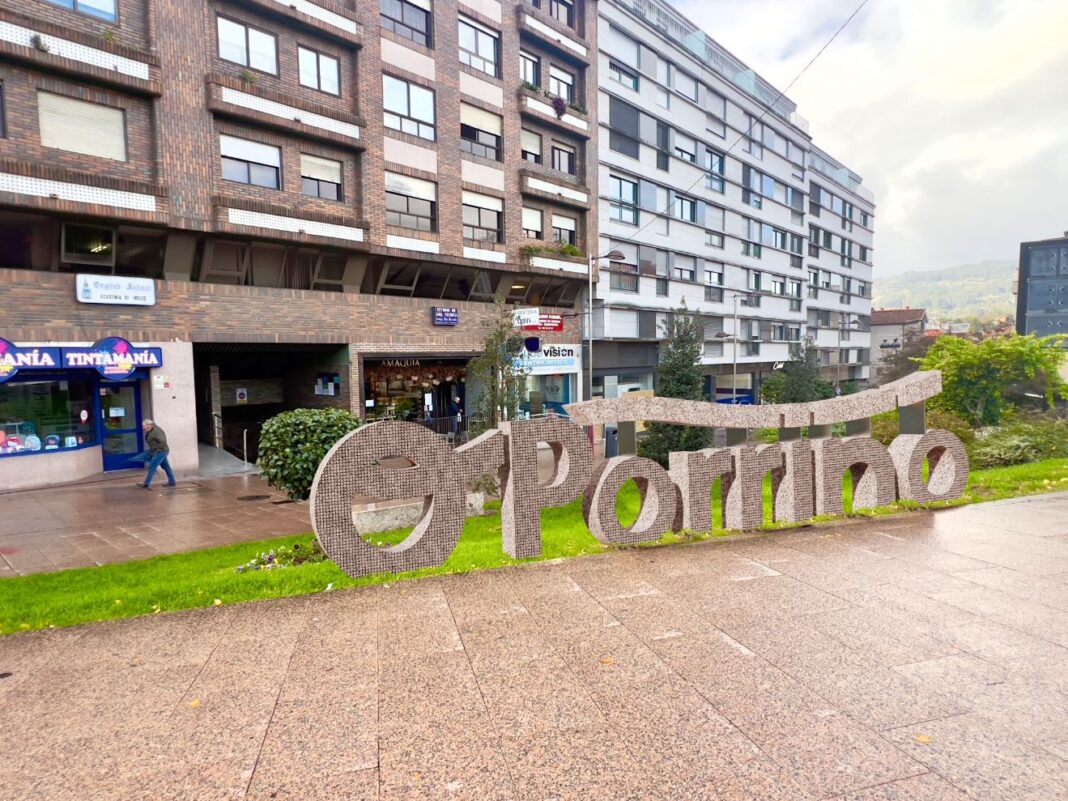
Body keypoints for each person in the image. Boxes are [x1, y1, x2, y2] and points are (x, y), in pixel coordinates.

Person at [128, 419, 176, 489]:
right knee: (166, 466)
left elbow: (162, 441)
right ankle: (172, 481)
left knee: (152, 466)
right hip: (161, 451)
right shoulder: (150, 431)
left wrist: (157, 450)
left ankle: (146, 484)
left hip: (161, 451)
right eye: (143, 427)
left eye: (144, 426)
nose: (143, 428)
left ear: (149, 425)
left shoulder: (156, 431)